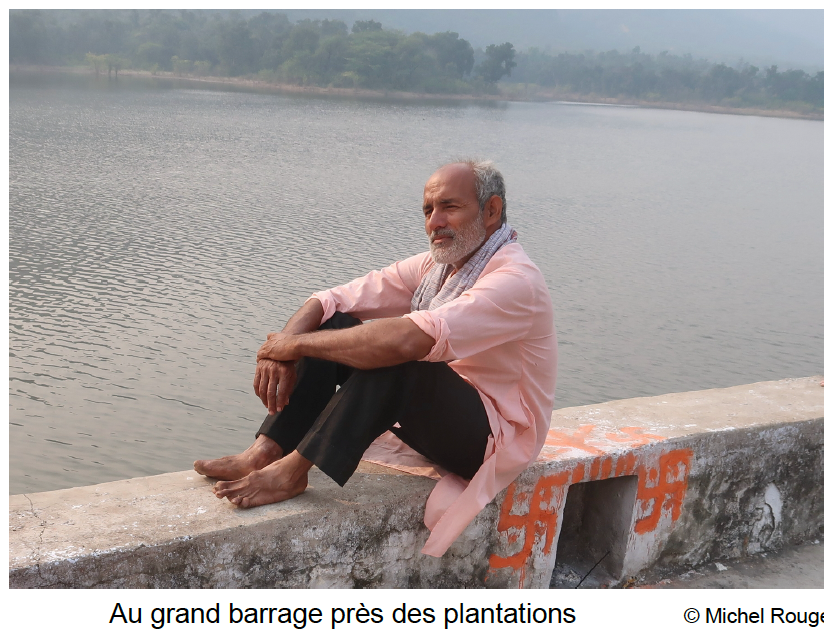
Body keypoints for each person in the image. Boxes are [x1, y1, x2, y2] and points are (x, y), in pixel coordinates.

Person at [192, 160, 556, 557]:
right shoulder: (438, 268)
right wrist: (282, 344)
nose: (435, 221)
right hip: (442, 415)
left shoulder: (515, 280)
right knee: (336, 324)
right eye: (427, 210)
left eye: (449, 207)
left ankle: (293, 471)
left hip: (495, 439)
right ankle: (266, 451)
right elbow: (332, 299)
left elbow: (408, 342)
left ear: (491, 210)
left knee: (403, 357)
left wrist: (295, 347)